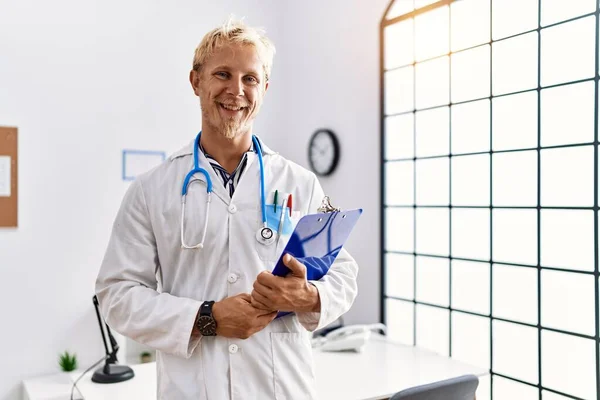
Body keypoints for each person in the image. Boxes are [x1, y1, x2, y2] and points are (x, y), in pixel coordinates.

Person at [95, 17, 358, 400]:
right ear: (196, 81)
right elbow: (116, 293)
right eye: (222, 74)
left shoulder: (300, 183)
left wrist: (307, 297)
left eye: (250, 78)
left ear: (264, 88)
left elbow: (344, 274)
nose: (236, 90)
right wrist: (208, 317)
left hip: (281, 388)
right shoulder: (151, 189)